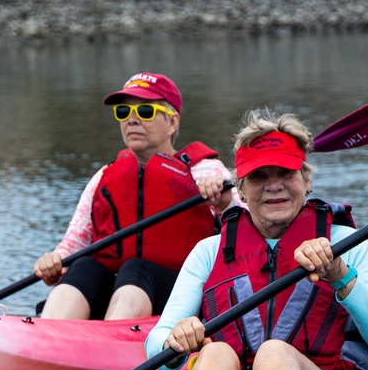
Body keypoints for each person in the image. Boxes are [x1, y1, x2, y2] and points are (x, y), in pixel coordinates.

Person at [144, 109, 368, 370]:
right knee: (214, 354)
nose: (274, 186)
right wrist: (174, 340)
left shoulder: (343, 242)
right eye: (259, 176)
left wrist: (340, 275)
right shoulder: (209, 251)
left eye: (285, 172)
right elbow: (155, 345)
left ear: (306, 179)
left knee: (274, 355)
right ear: (241, 190)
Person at [33, 72, 237, 320]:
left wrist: (224, 202)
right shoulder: (105, 176)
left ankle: (111, 345)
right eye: (123, 112)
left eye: (145, 112)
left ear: (172, 123)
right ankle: (50, 334)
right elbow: (75, 241)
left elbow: (244, 225)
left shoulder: (206, 172)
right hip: (119, 291)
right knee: (84, 266)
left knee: (136, 268)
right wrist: (55, 262)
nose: (132, 120)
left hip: (181, 294)